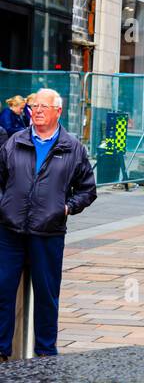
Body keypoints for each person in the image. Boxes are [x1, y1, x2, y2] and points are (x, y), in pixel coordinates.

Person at [0, 89, 96, 360]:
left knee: (47, 296)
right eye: (34, 106)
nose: (37, 111)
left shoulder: (72, 147)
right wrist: (3, 204)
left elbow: (87, 190)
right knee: (2, 290)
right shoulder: (15, 142)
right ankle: (1, 350)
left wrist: (65, 208)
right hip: (9, 230)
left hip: (48, 232)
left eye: (44, 106)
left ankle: (45, 353)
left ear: (58, 111)